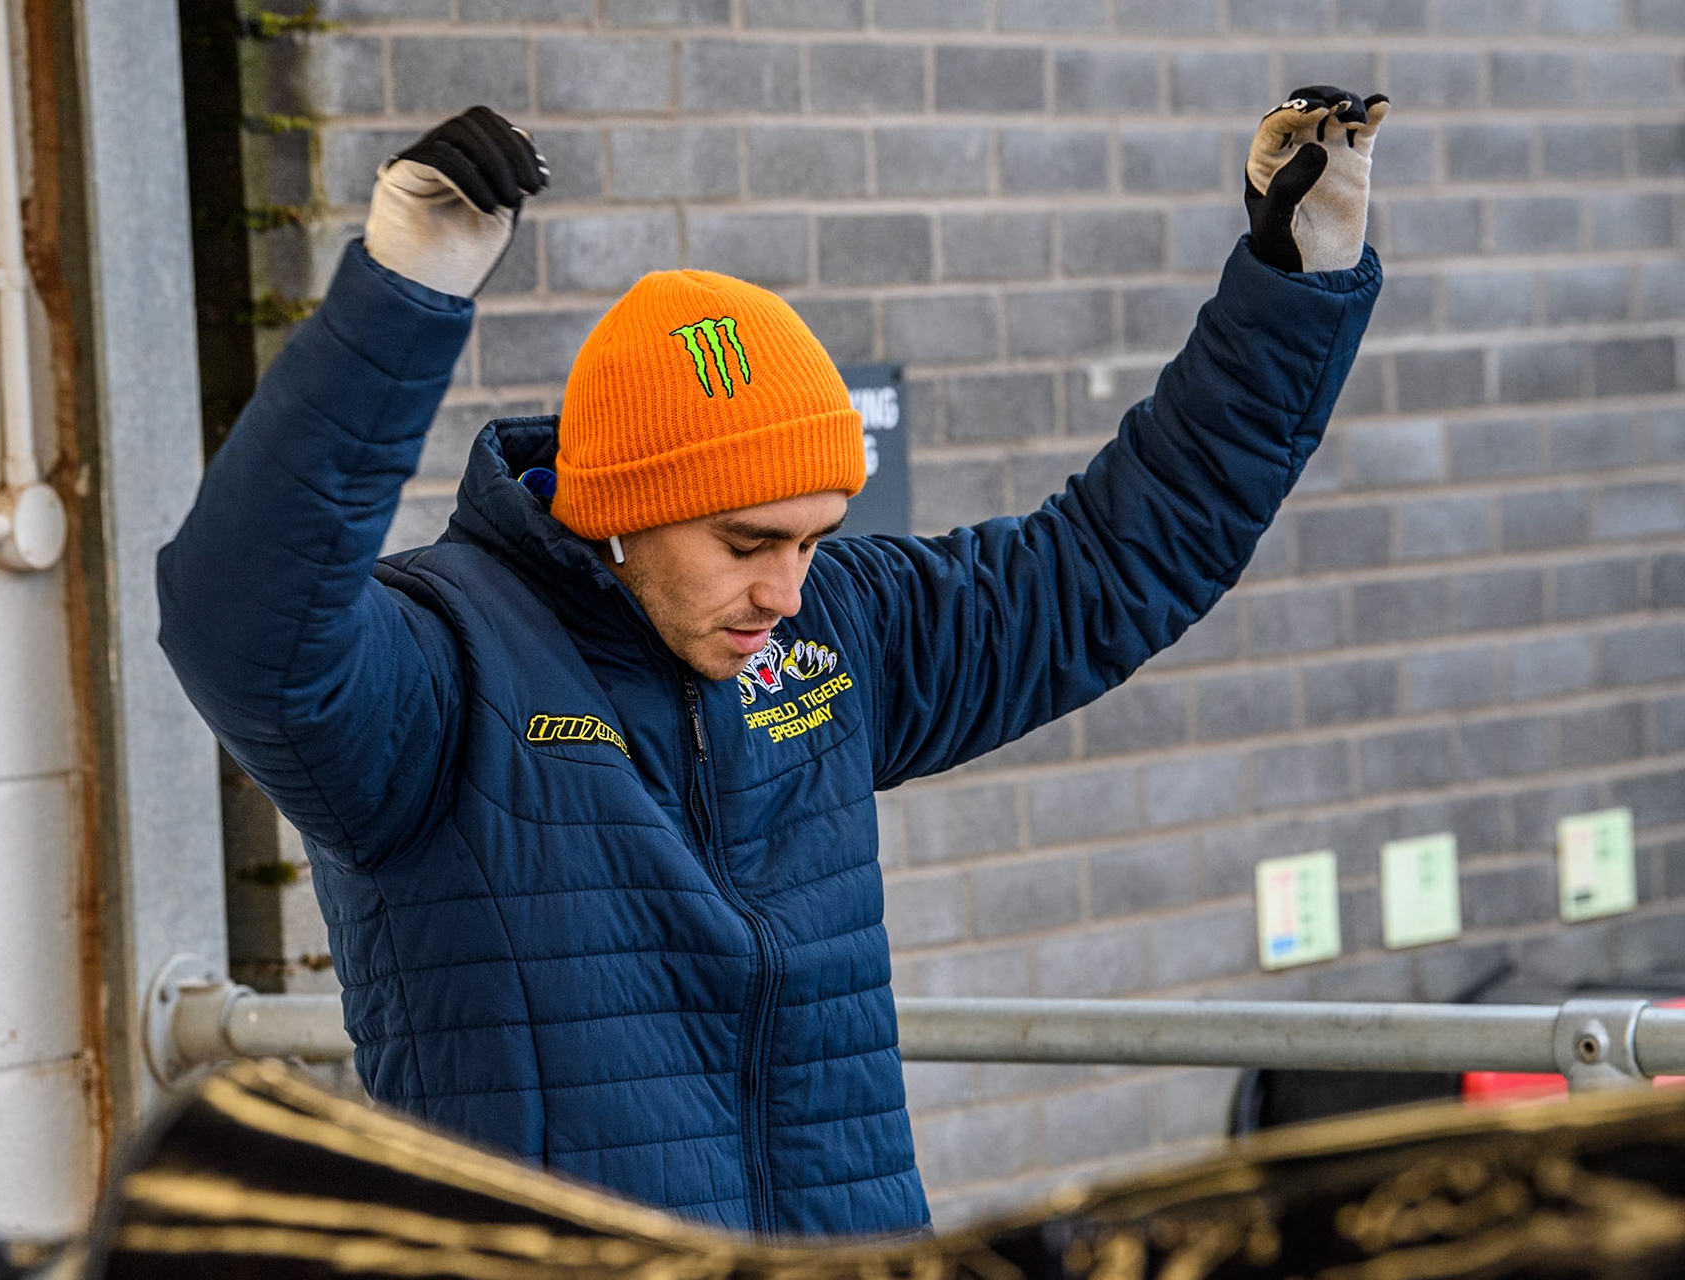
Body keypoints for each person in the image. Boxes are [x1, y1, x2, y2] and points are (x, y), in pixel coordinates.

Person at [157, 92, 1388, 1238]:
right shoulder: (438, 674)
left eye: (813, 539)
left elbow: (1115, 561)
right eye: (747, 541)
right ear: (620, 510)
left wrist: (1296, 284)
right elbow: (243, 625)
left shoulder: (827, 637)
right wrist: (401, 296)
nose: (786, 589)